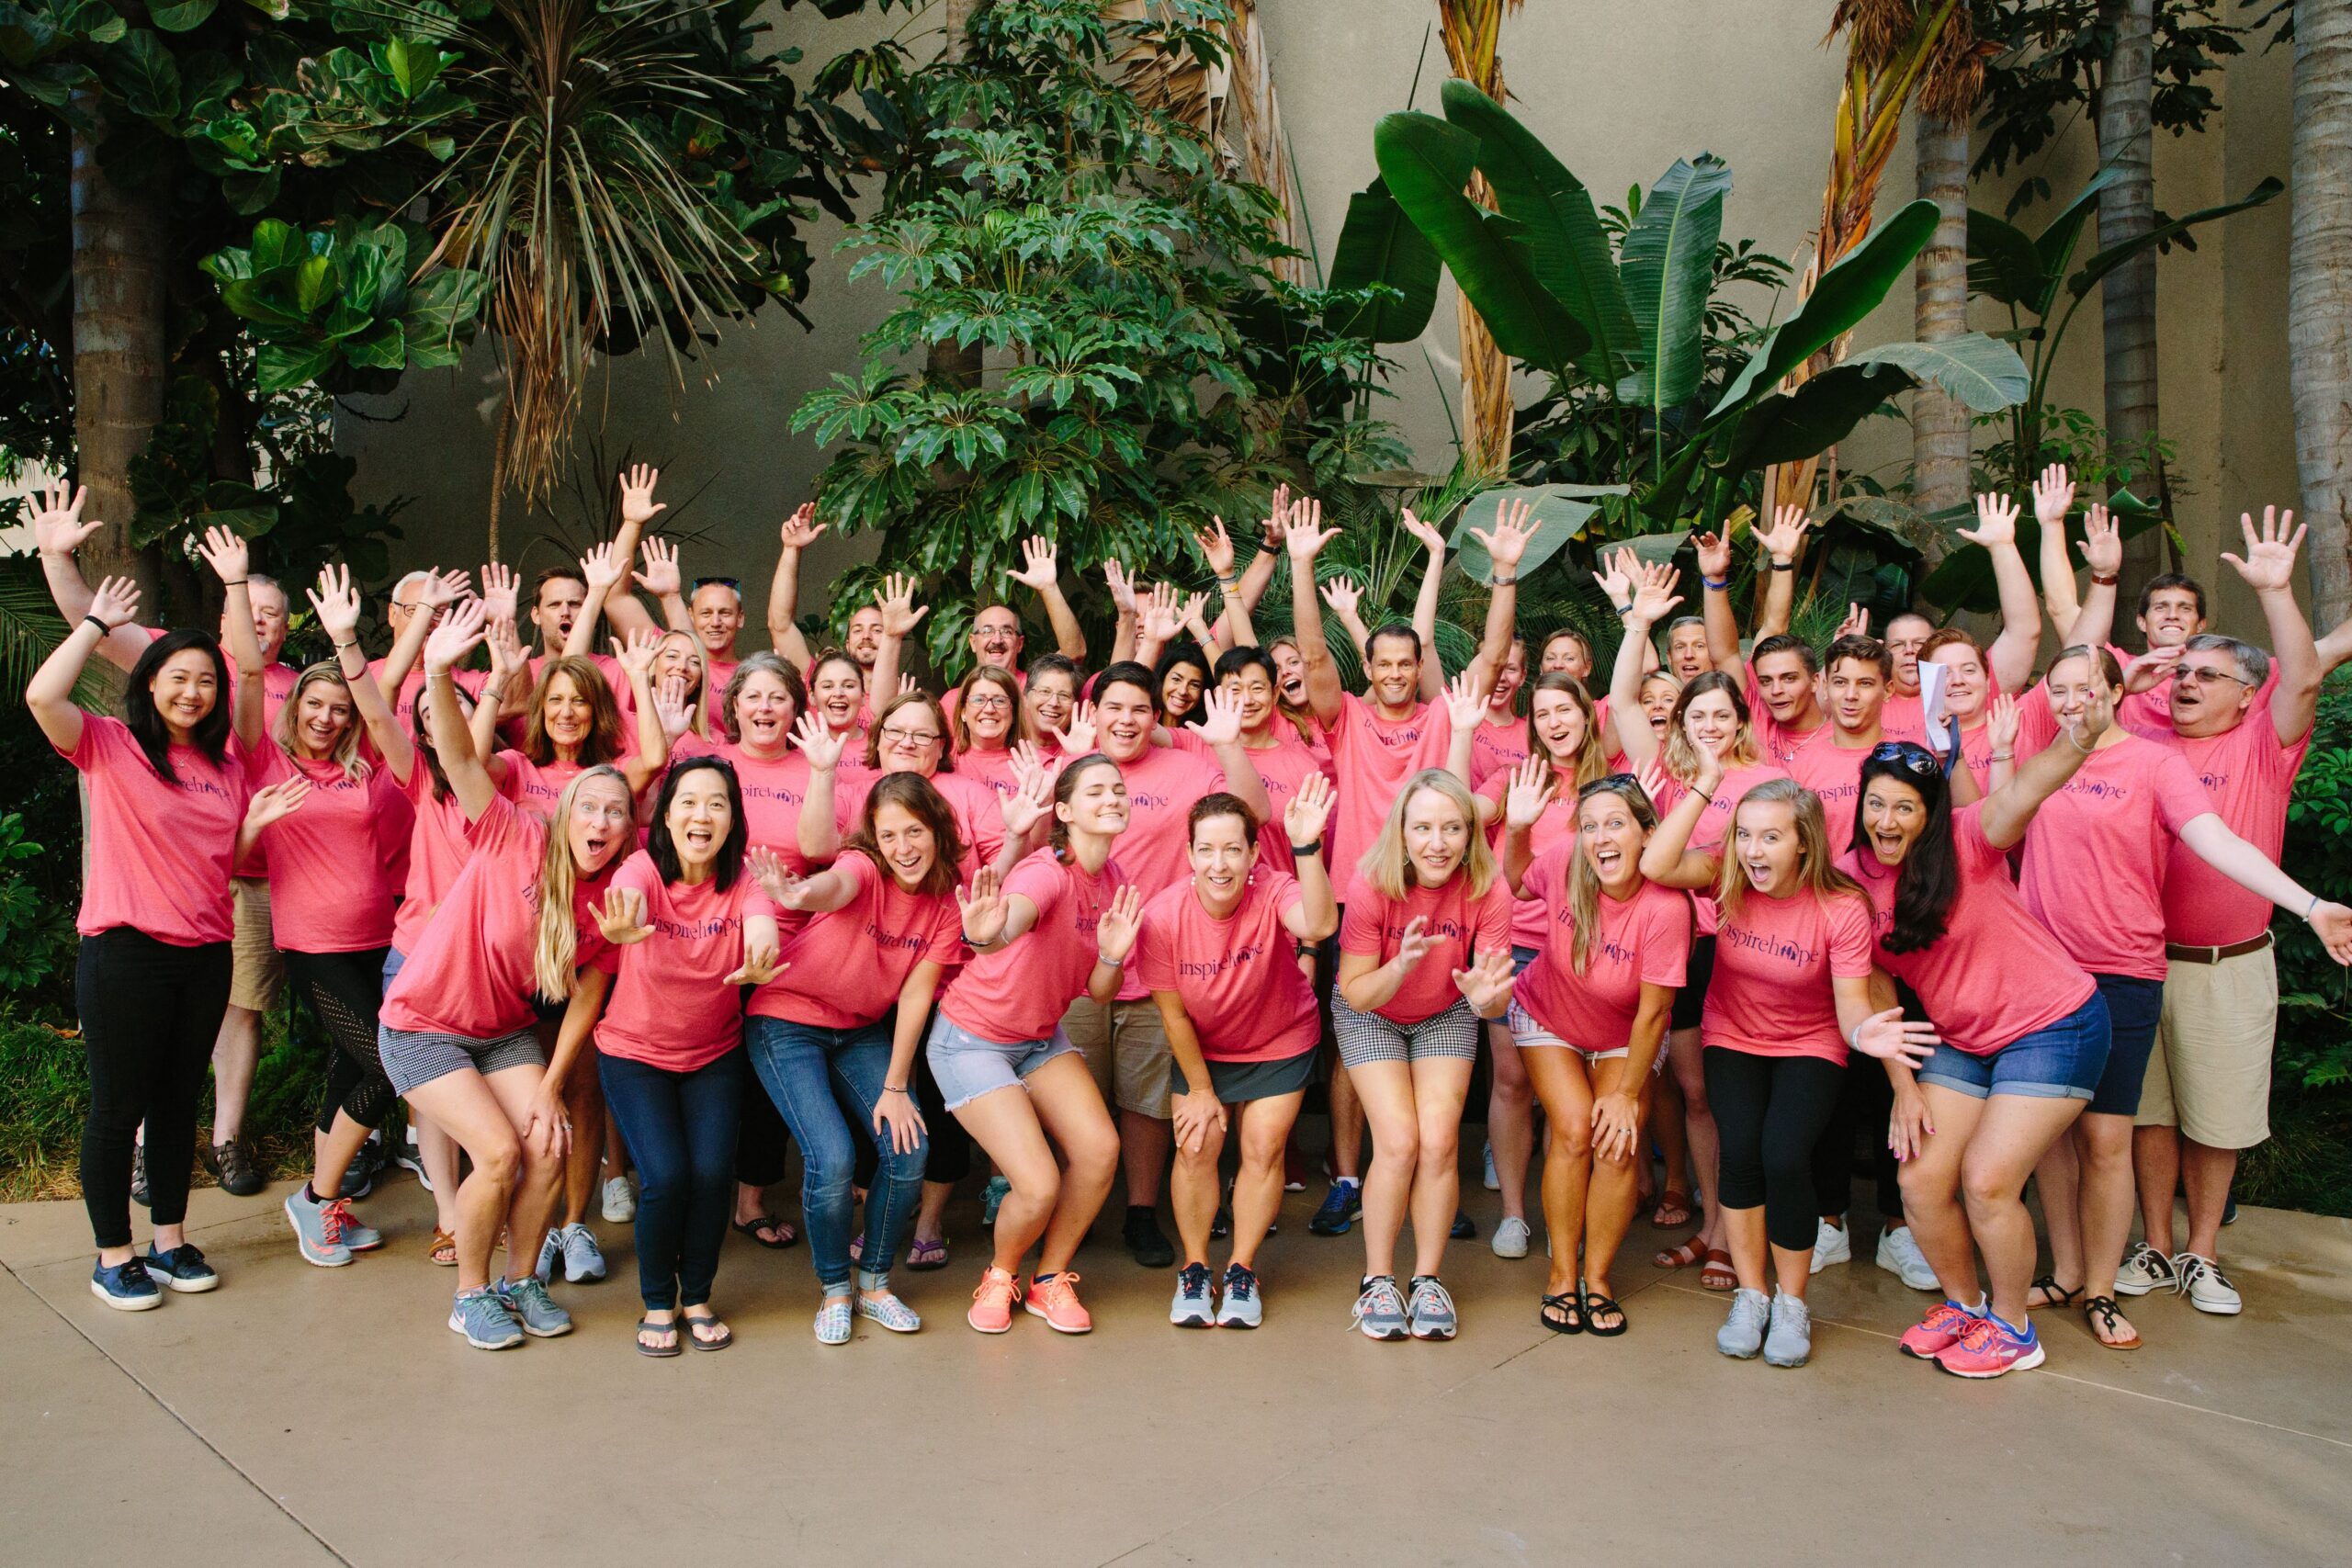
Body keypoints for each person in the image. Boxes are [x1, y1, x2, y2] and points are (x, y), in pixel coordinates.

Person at [2016, 648, 2351, 1349]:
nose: (2074, 701)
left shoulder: (2154, 761)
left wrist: (2309, 903)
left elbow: (2216, 840)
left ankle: (2102, 1291)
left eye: (2088, 688)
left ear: (2117, 692)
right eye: (2061, 692)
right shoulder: (2038, 757)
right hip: (2044, 974)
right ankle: (2069, 1269)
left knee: (2108, 1139)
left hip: (2123, 972)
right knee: (2047, 1136)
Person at [26, 537, 285, 1307]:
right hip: (124, 952)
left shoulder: (228, 764)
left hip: (203, 954)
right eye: (179, 677)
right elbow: (44, 698)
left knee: (177, 1102)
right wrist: (94, 624)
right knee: (119, 1107)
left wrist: (236, 585)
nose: (195, 691)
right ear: (151, 682)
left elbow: (250, 672)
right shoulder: (111, 744)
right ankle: (114, 1255)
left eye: (206, 680)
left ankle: (169, 1238)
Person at [375, 602, 624, 1349]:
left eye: (617, 811)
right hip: (423, 1027)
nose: (602, 820)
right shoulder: (514, 831)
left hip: (503, 1034)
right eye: (590, 806)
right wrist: (442, 672)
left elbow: (587, 994)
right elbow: (456, 760)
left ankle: (522, 1279)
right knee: (499, 1151)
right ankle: (471, 1293)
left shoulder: (606, 901)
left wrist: (548, 1088)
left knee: (549, 1139)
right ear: (565, 811)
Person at [1286, 493, 1530, 1240]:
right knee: (1354, 1036)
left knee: (1443, 1038)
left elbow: (1489, 661)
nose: (1394, 672)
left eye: (1406, 662)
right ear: (1370, 665)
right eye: (1382, 663)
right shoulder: (1348, 715)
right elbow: (1316, 655)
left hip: (1439, 900)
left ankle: (1433, 1182)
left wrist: (1504, 576)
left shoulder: (1440, 716)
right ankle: (1351, 1174)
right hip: (1362, 904)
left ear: (1421, 663)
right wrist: (1301, 564)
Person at [2109, 511, 2334, 1317]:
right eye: (2182, 673)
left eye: (2208, 674)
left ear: (2246, 695)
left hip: (2227, 966)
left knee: (2216, 1117)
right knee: (2149, 1114)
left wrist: (2276, 591)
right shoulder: (2141, 737)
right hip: (2141, 960)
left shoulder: (2263, 743)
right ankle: (2156, 1244)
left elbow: (2305, 677)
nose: (2188, 683)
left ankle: (2203, 1250)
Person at [1842, 731, 2117, 1379]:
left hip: (2054, 1024)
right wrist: (1904, 1086)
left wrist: (2077, 739)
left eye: (1905, 807)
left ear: (1930, 813)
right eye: (1876, 804)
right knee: (1918, 1180)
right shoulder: (1852, 874)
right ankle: (1966, 1305)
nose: (1887, 821)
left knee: (1989, 1181)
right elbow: (1877, 979)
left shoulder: (1968, 839)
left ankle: (2015, 1326)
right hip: (1961, 1038)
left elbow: (2024, 790)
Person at [1650, 773, 1924, 1368]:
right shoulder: (1727, 876)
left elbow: (1852, 1001)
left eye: (1769, 837)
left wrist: (1865, 1034)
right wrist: (1703, 784)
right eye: (1743, 835)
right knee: (1741, 1155)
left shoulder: (1842, 905)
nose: (1752, 850)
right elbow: (1657, 863)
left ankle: (1792, 1302)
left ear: (1804, 842)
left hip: (1813, 1041)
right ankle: (1752, 1296)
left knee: (1783, 1155)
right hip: (1734, 1035)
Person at [1042, 663, 1272, 1269]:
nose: (1126, 719)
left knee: (1146, 1100)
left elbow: (1257, 813)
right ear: (1093, 714)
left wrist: (1226, 742)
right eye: (1113, 706)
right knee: (1079, 1093)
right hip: (1078, 964)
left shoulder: (1190, 770)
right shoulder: (1075, 765)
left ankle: (1141, 1212)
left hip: (1158, 964)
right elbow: (1044, 842)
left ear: (1155, 717)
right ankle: (1080, 1208)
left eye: (1139, 708)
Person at [563, 756, 780, 1356]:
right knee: (665, 1175)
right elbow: (626, 894)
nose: (701, 814)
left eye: (716, 802)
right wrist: (622, 922)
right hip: (634, 1054)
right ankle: (659, 1300)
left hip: (713, 1054)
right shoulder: (643, 868)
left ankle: (698, 1295)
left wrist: (760, 955)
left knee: (712, 1176)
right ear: (666, 814)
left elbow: (762, 925)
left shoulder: (743, 881)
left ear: (733, 817)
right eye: (688, 800)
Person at [1612, 562, 1790, 1292]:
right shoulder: (1663, 769)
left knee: (1726, 1098)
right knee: (1692, 1096)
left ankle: (1726, 1234)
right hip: (1677, 950)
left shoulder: (1769, 779)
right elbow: (1624, 696)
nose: (1710, 726)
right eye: (1698, 716)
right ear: (1681, 722)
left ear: (1741, 721)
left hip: (1742, 951)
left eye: (1722, 715)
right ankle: (1712, 1223)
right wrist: (1638, 622)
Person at [745, 774, 970, 1342]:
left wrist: (897, 1087)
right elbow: (837, 885)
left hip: (858, 1027)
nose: (903, 847)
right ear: (875, 839)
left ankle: (873, 1282)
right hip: (787, 1019)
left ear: (937, 830)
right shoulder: (866, 870)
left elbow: (918, 994)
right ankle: (834, 1291)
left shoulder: (946, 902)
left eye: (914, 831)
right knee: (833, 1155)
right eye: (889, 834)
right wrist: (798, 894)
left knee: (908, 1145)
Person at [930, 756, 1136, 1336]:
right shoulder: (1047, 871)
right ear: (1065, 812)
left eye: (1118, 789)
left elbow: (1098, 992)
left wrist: (1115, 954)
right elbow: (1006, 926)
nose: (1112, 797)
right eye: (1096, 791)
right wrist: (984, 930)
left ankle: (1049, 1279)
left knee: (1099, 1152)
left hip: (1038, 1038)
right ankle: (1001, 1274)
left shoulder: (1114, 880)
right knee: (1038, 1182)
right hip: (969, 1040)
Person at [257, 569, 414, 1269]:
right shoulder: (267, 762)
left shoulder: (364, 768)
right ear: (294, 708)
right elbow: (240, 667)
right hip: (314, 945)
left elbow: (383, 703)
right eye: (314, 704)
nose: (327, 717)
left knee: (344, 1074)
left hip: (373, 939)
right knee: (391, 1066)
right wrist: (238, 587)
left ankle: (328, 1205)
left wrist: (376, 639)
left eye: (338, 708)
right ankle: (317, 1201)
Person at [1137, 779, 1339, 1329]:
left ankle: (1244, 1268)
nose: (1219, 863)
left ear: (1253, 853)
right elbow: (1173, 1014)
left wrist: (1306, 849)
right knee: (1197, 1145)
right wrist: (1200, 1090)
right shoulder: (1161, 916)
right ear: (1189, 854)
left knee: (1263, 1148)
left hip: (1280, 1039)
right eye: (1206, 849)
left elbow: (1319, 925)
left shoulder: (1274, 888)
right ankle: (1196, 1267)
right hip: (1202, 1047)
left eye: (1233, 849)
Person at [1500, 770, 1687, 1337]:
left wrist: (1628, 1096)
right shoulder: (1563, 861)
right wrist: (1517, 828)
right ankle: (1561, 1274)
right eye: (1589, 827)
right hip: (1547, 1014)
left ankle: (1597, 1278)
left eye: (1615, 824)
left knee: (1618, 1142)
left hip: (1625, 1032)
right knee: (1577, 1128)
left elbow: (1653, 1015)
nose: (1601, 838)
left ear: (1648, 833)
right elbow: (1515, 880)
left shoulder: (1667, 908)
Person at [1335, 768, 1517, 1341]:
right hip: (1373, 1010)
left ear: (1471, 834)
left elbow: (1490, 997)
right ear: (1402, 833)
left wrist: (1489, 1002)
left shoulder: (1489, 888)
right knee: (1397, 1140)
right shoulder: (1371, 885)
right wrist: (1401, 964)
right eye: (1423, 829)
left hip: (1446, 1010)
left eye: (1452, 829)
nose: (1437, 843)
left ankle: (1428, 1279)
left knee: (1438, 1141)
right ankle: (1378, 1279)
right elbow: (1355, 992)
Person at [1467, 677, 1611, 1259]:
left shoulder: (1609, 782)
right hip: (1516, 947)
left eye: (1565, 709)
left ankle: (1563, 1212)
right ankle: (1514, 1215)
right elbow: (1464, 809)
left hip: (1585, 951)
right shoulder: (1516, 778)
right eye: (1543, 713)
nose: (1554, 722)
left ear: (1586, 715)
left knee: (1567, 1093)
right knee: (1511, 1081)